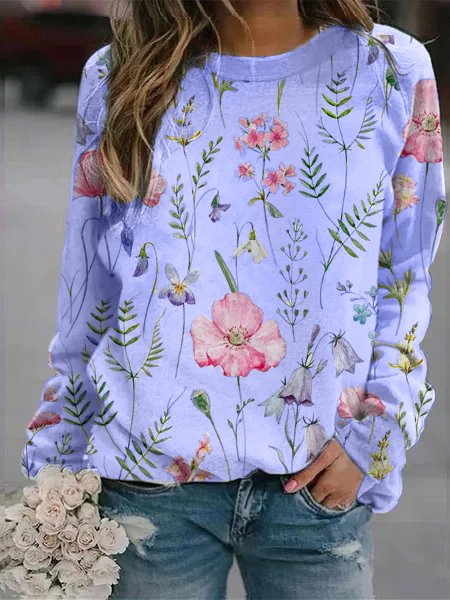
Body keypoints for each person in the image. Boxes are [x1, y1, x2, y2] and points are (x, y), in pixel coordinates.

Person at [21, 0, 447, 598]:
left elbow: (405, 274)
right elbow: (88, 286)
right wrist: (58, 449)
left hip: (317, 483)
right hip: (146, 484)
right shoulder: (120, 74)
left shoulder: (390, 68)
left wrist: (376, 435)